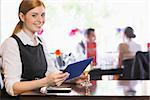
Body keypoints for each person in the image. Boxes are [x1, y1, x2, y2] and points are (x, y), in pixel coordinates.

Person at [0, 0, 71, 96]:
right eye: (34, 15)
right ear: (22, 17)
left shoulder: (40, 42)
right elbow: (12, 88)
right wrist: (45, 81)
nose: (40, 20)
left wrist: (73, 78)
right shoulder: (11, 44)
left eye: (42, 15)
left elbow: (51, 72)